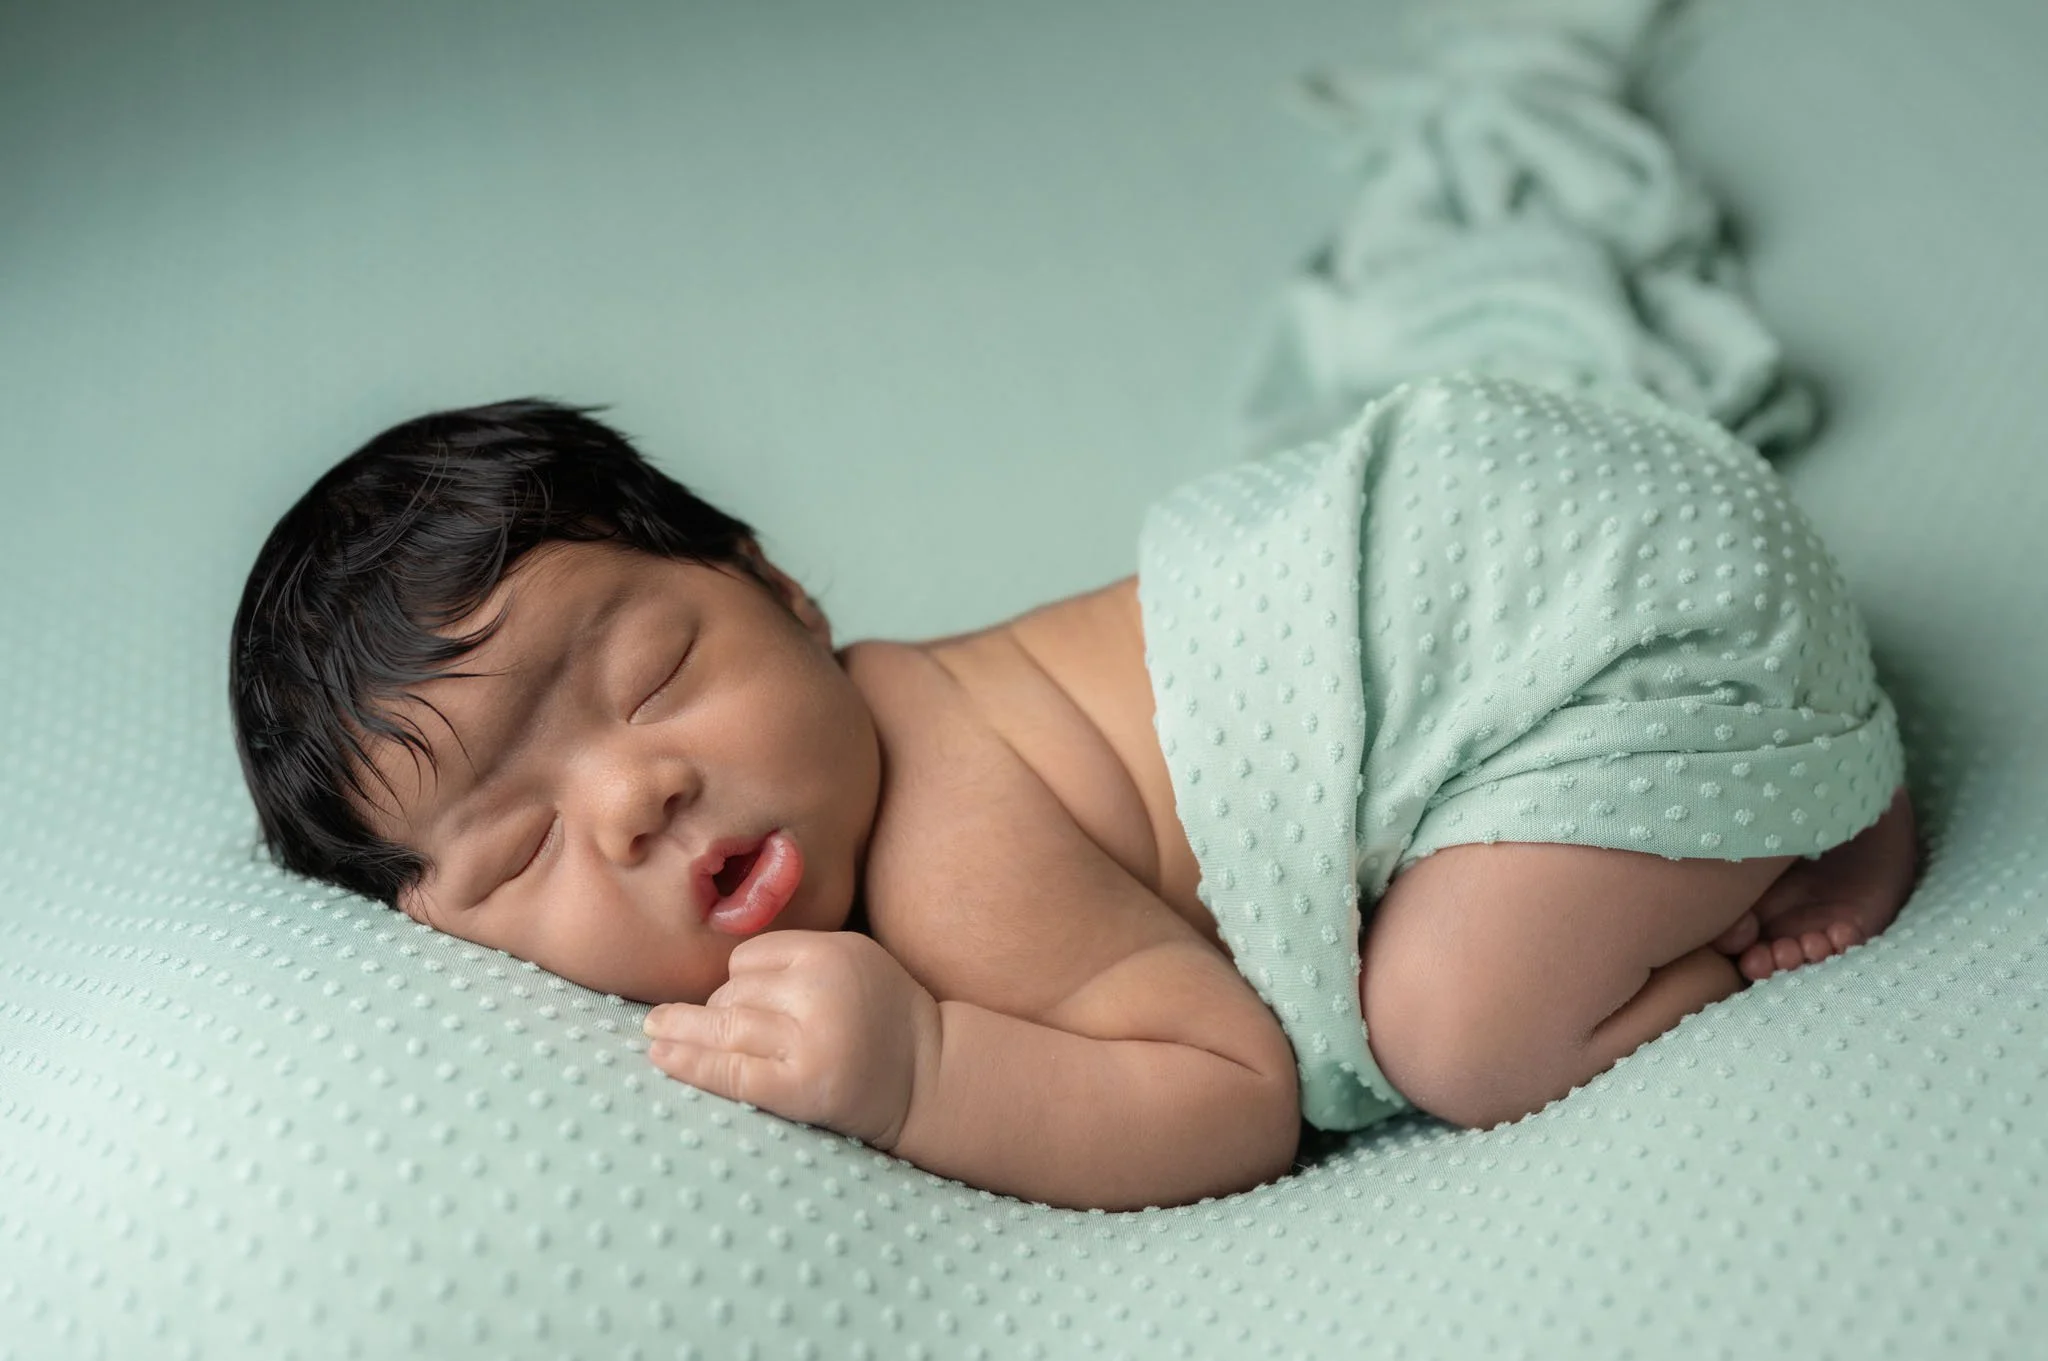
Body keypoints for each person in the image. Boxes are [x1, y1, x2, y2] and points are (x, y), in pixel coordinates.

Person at [228, 381, 1921, 1212]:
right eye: (524, 848)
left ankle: (1791, 826)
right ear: (438, 929)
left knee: (1459, 1034)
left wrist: (923, 1070)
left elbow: (1232, 1089)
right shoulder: (902, 731)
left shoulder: (948, 843)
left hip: (1603, 620)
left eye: (654, 675)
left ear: (788, 596)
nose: (638, 797)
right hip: (1581, 510)